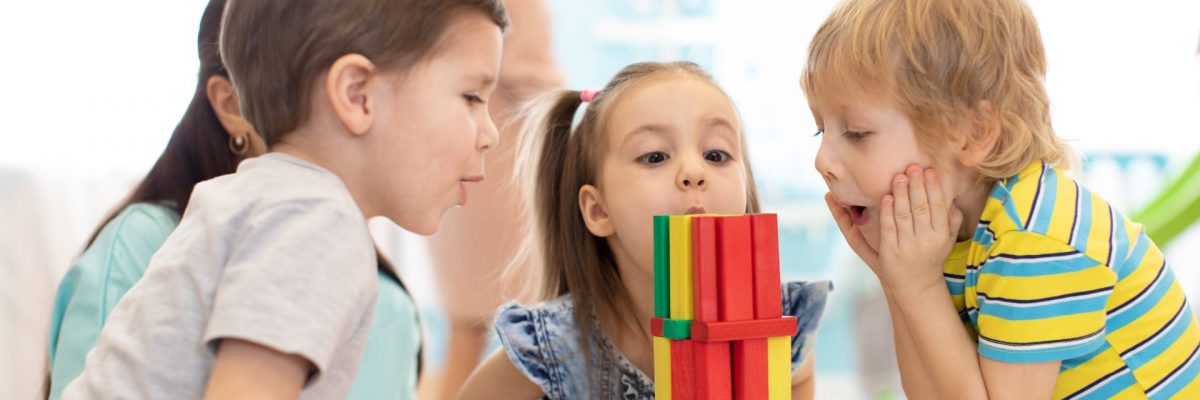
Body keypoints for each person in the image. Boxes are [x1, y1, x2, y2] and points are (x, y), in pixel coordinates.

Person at [62, 0, 508, 397]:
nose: (491, 133)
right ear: (357, 94)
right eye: (471, 96)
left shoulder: (249, 196)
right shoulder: (316, 221)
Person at [806, 0, 1200, 397]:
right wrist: (898, 279)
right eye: (820, 130)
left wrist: (916, 285)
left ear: (973, 132)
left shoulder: (1034, 238)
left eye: (856, 133)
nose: (823, 161)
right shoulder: (955, 233)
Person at [459, 61, 830, 399]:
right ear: (599, 210)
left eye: (716, 155)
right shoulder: (548, 352)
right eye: (654, 156)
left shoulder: (783, 335)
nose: (694, 172)